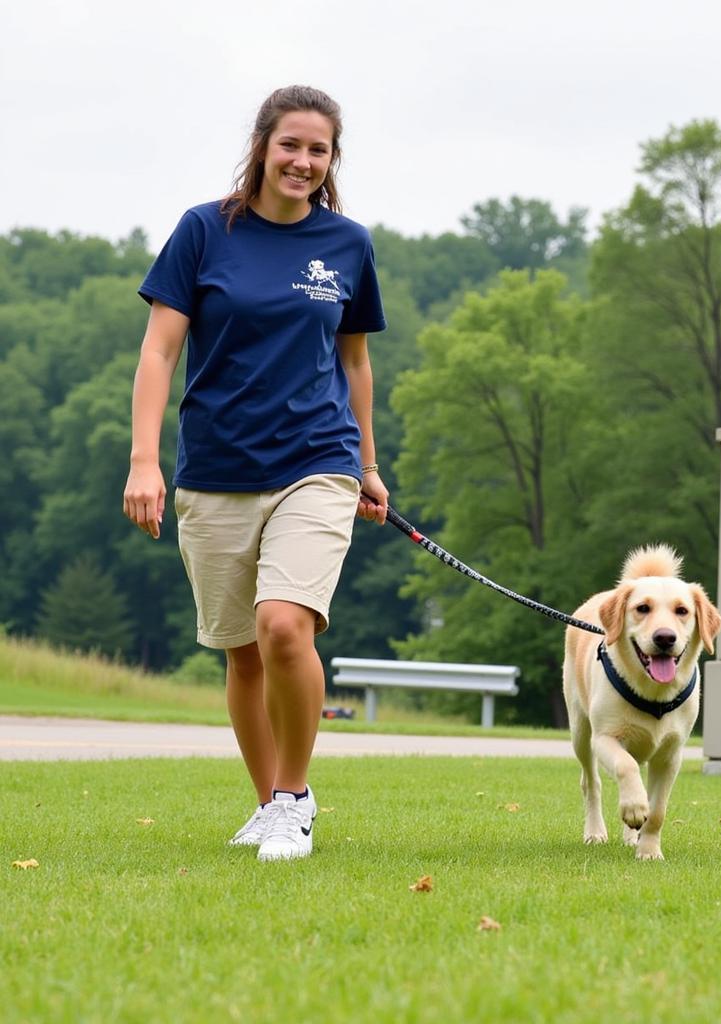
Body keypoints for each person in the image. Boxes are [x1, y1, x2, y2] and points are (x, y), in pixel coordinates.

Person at [123, 85, 389, 862]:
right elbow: (158, 352)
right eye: (291, 145)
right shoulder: (205, 231)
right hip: (215, 470)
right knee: (242, 648)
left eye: (320, 150)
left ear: (332, 160)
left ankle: (294, 798)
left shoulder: (348, 244)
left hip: (317, 460)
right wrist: (144, 461)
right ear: (263, 147)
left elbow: (356, 362)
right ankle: (267, 802)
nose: (304, 161)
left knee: (283, 624)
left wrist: (368, 466)